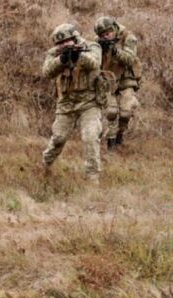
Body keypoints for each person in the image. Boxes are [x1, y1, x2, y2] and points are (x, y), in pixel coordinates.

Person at [41, 23, 103, 184]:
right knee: (58, 139)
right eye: (60, 43)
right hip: (66, 103)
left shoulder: (91, 46)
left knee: (90, 137)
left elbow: (95, 63)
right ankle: (45, 165)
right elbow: (47, 72)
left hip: (89, 102)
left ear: (75, 38)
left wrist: (78, 56)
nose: (64, 45)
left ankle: (92, 179)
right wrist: (62, 59)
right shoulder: (54, 53)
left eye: (66, 41)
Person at [94, 16, 141, 150]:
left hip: (126, 78)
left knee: (126, 111)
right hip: (109, 78)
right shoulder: (98, 41)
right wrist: (101, 49)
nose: (106, 36)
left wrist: (115, 51)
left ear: (114, 28)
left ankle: (120, 134)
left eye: (108, 33)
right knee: (111, 111)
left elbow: (130, 59)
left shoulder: (128, 37)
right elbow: (94, 61)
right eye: (102, 35)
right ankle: (111, 141)